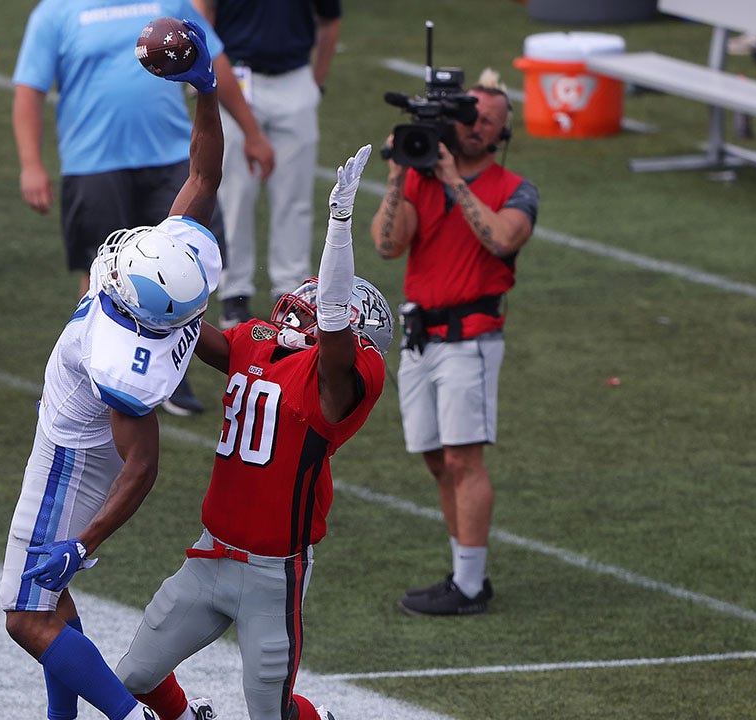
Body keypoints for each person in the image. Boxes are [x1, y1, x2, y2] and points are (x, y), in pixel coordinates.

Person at [115, 145, 392, 720]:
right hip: (209, 555)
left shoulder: (343, 381)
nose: (307, 304)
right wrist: (141, 280)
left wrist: (339, 225)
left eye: (324, 306)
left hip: (273, 572)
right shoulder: (260, 343)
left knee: (270, 713)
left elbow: (335, 319)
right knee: (134, 677)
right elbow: (186, 325)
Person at [0, 23, 223, 720]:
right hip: (79, 449)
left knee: (24, 615)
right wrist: (205, 89)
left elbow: (142, 467)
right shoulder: (168, 291)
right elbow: (204, 174)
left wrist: (82, 541)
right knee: (52, 605)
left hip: (72, 457)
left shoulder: (119, 362)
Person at [12, 0, 274, 417]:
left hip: (169, 156)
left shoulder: (169, 0)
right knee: (99, 273)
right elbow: (30, 90)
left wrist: (252, 131)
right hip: (93, 161)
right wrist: (31, 164)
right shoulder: (55, 11)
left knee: (182, 266)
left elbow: (216, 62)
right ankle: (87, 373)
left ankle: (171, 374)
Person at [369, 70, 538, 616]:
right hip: (421, 339)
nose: (474, 126)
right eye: (469, 115)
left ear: (500, 135)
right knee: (437, 459)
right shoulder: (418, 180)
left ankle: (469, 586)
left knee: (464, 459)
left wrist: (454, 181)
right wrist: (398, 175)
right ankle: (463, 573)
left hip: (472, 339)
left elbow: (501, 238)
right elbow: (387, 246)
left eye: (487, 121)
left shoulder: (515, 190)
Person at [190, 0, 340, 330]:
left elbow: (330, 19)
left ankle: (293, 291)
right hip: (238, 77)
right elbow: (202, 10)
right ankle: (234, 292)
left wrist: (314, 83)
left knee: (294, 195)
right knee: (234, 192)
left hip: (295, 77)